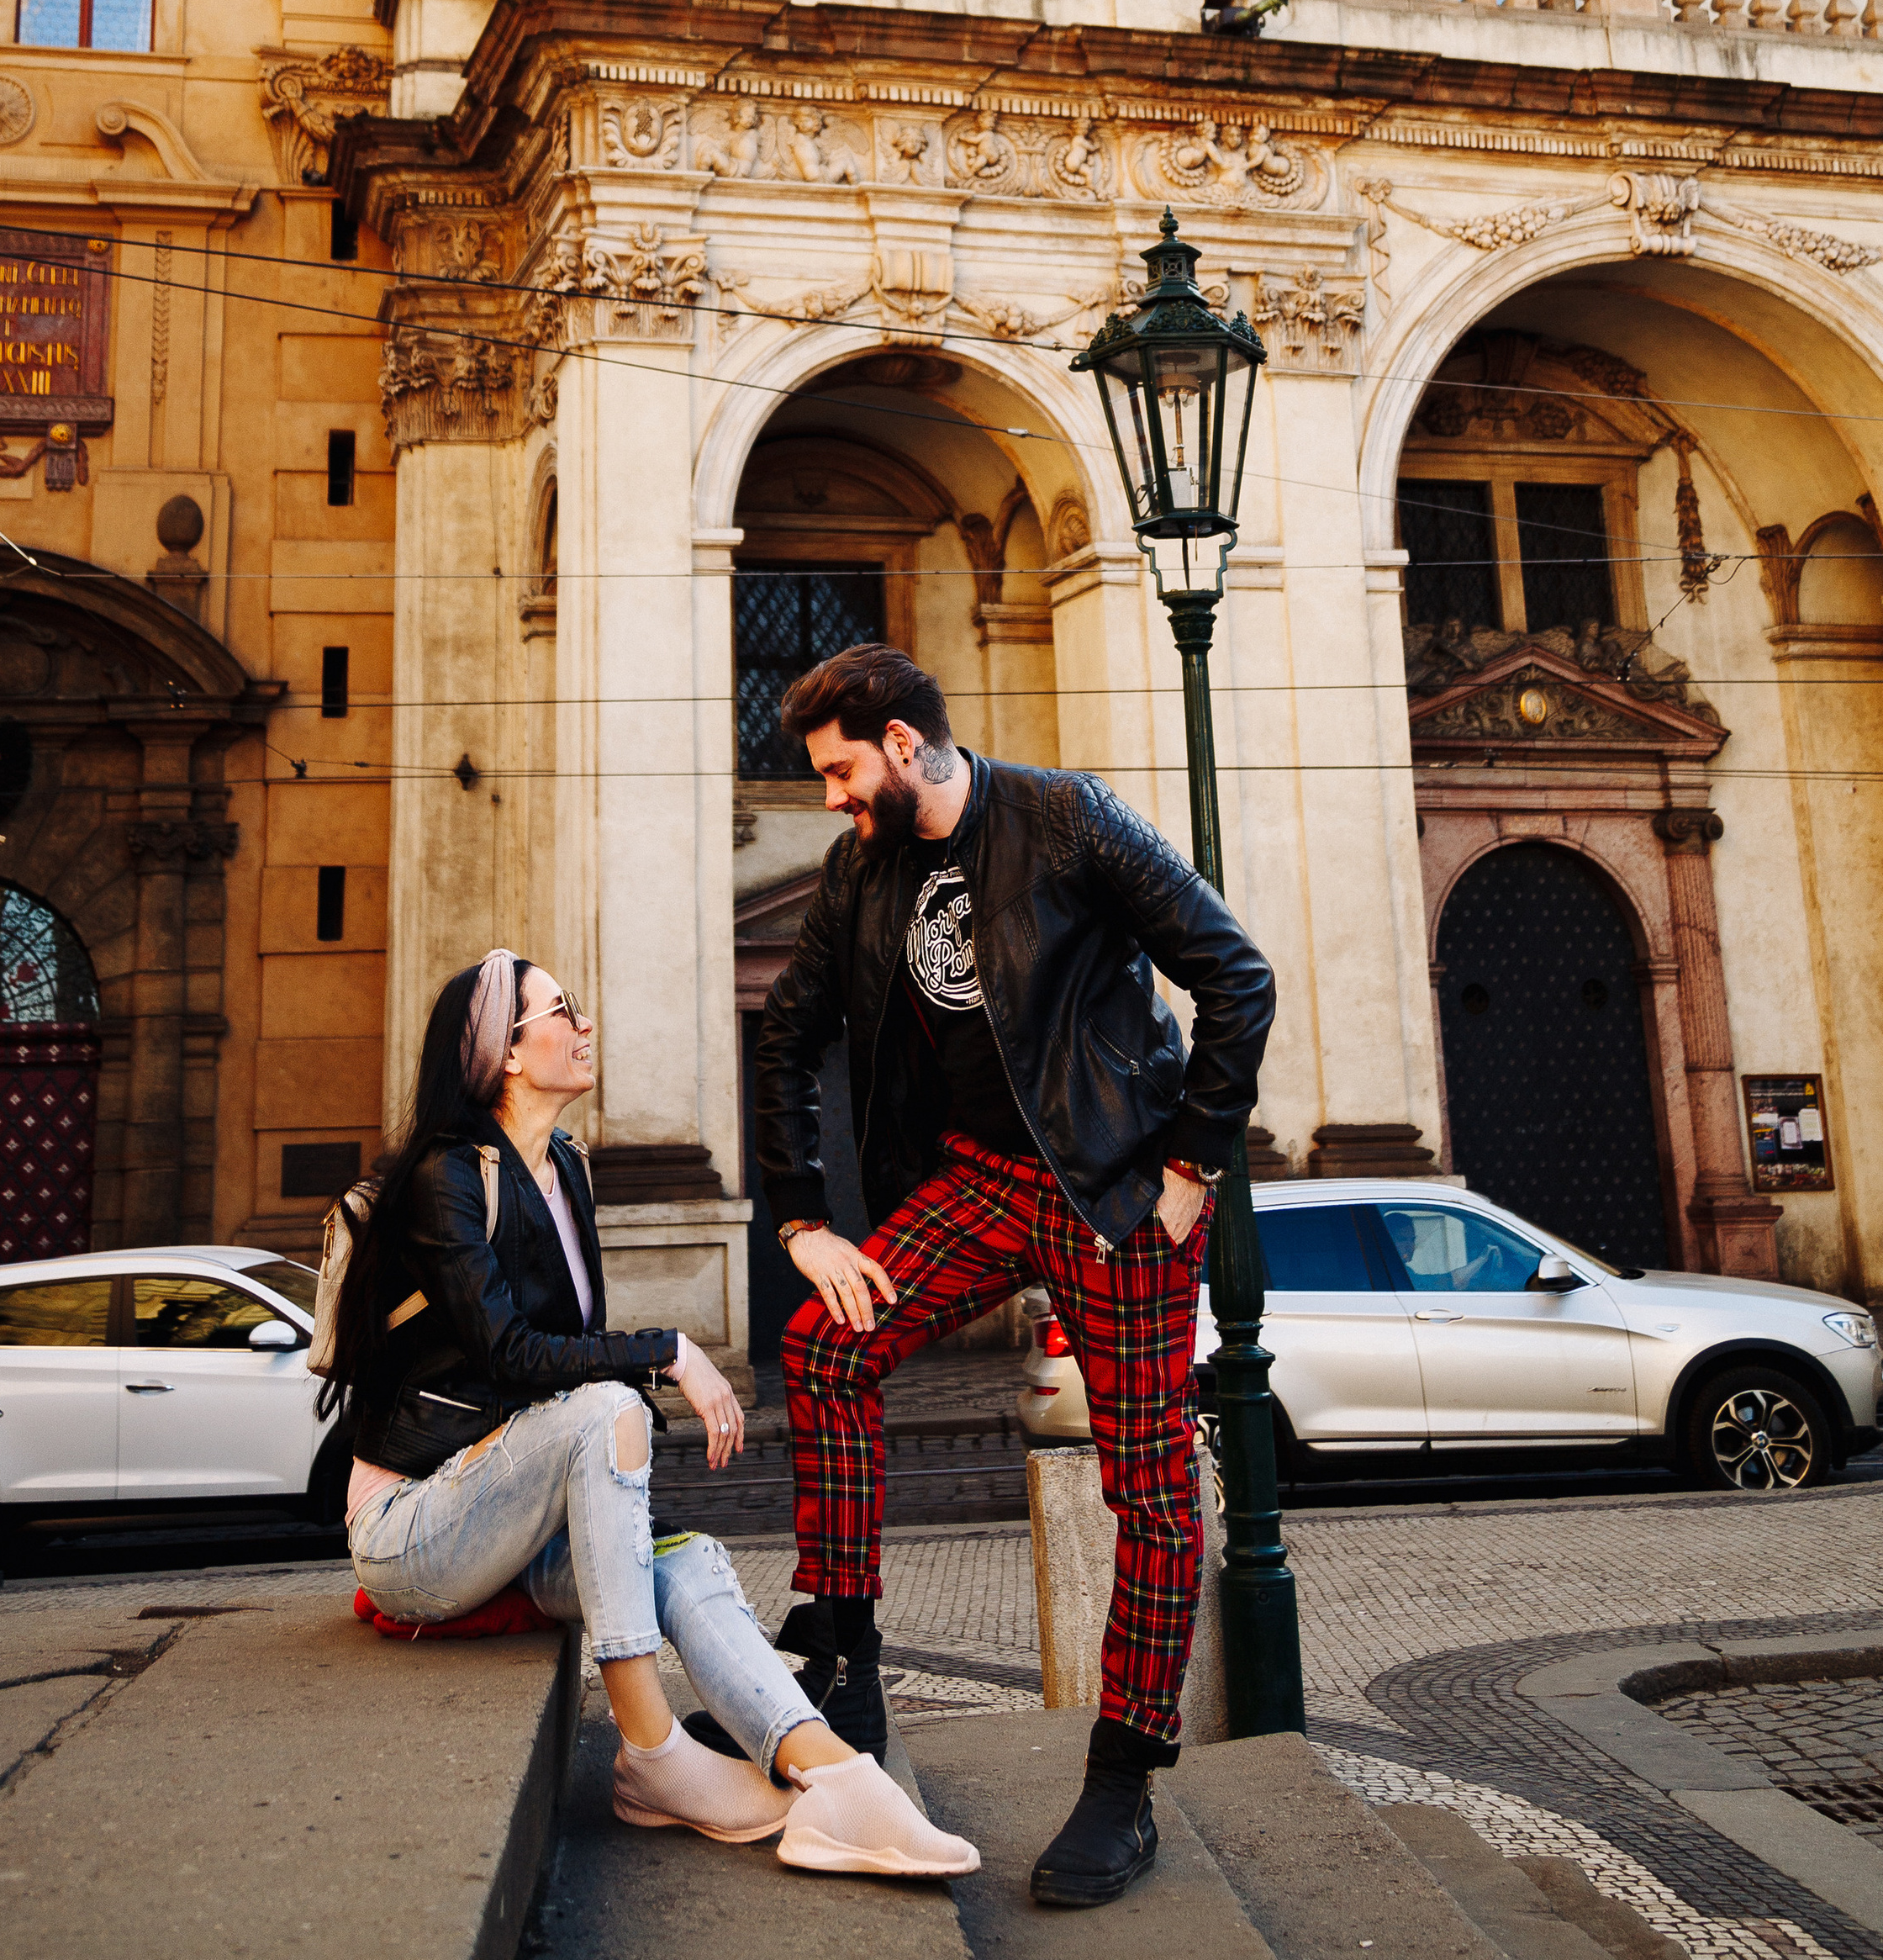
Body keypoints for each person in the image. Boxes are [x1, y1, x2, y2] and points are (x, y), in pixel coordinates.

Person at [752, 645, 1275, 1909]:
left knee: (1146, 1486)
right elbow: (790, 1037)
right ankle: (850, 1656)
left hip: (1114, 1193)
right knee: (826, 1347)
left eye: (837, 771)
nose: (828, 797)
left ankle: (1123, 1778)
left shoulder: (1065, 817)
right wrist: (804, 1225)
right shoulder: (856, 873)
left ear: (903, 742)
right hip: (979, 1181)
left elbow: (1235, 975)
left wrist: (1192, 1171)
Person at [322, 946, 978, 1880]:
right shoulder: (448, 1176)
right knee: (600, 1409)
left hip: (513, 1514)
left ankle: (828, 1773)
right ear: (504, 1053)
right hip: (415, 1532)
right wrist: (666, 1349)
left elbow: (558, 1369)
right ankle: (653, 1750)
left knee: (691, 1557)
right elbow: (511, 1354)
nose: (584, 1025)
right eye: (562, 1010)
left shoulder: (566, 1170)